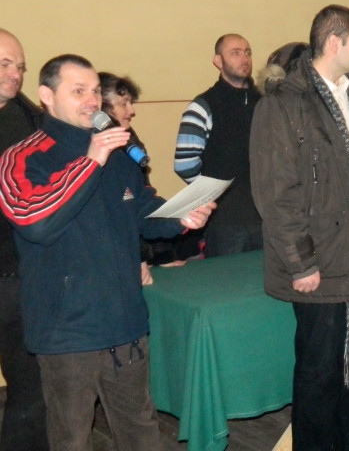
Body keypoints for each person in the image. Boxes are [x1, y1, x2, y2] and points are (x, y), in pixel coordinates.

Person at [0, 54, 214, 451]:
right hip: (66, 331)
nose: (91, 101)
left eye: (96, 91)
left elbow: (143, 211)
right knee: (71, 438)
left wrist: (182, 216)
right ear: (46, 95)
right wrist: (91, 160)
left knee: (141, 433)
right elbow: (35, 221)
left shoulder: (117, 155)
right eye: (78, 91)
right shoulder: (22, 158)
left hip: (125, 322)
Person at [249, 5, 349, 451]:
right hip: (320, 256)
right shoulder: (283, 104)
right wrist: (301, 262)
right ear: (334, 43)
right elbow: (277, 195)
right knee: (320, 372)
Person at [0, 28, 48, 450]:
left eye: (20, 67)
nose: (15, 74)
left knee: (30, 383)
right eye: (4, 64)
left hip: (19, 274)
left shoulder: (29, 117)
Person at [174, 33, 262, 256]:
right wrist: (214, 195)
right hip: (225, 223)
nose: (244, 59)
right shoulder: (203, 106)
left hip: (266, 217)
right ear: (218, 61)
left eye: (247, 53)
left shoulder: (265, 103)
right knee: (227, 277)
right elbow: (184, 164)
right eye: (235, 53)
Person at [100, 72, 192, 269]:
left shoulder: (128, 138)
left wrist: (161, 255)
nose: (131, 111)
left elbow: (141, 200)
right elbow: (120, 215)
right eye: (123, 103)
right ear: (101, 108)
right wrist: (140, 258)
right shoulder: (98, 152)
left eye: (130, 103)